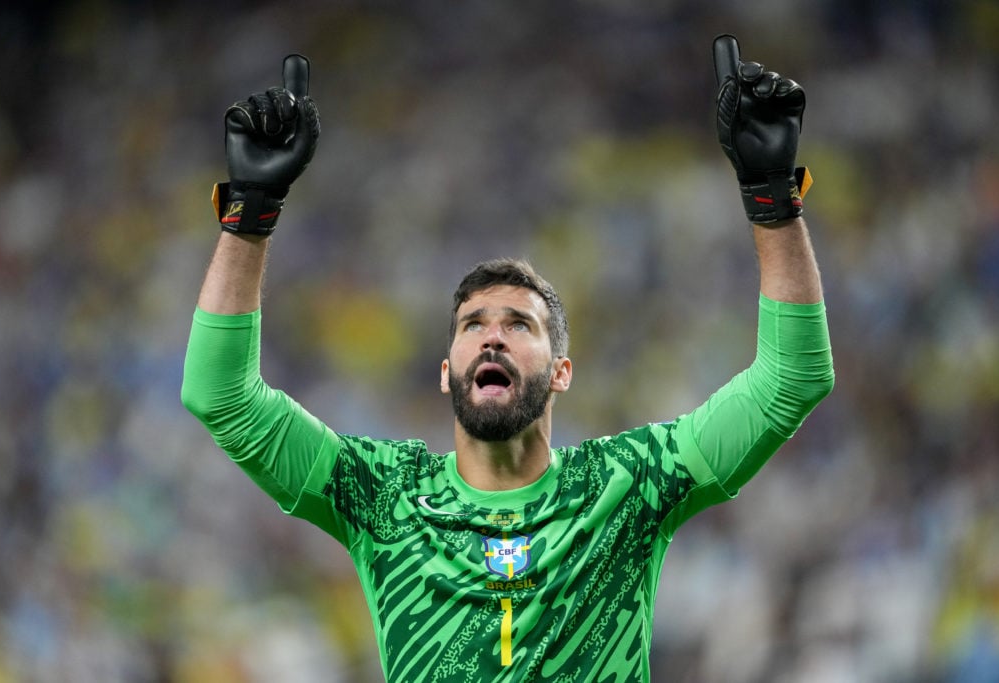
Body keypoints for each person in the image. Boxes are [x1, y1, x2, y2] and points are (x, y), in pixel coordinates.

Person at [182, 34, 835, 682]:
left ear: (561, 371)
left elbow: (792, 378)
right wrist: (251, 210)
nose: (492, 336)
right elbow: (221, 395)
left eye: (520, 323)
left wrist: (771, 194)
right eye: (472, 325)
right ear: (446, 372)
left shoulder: (627, 485)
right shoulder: (383, 496)